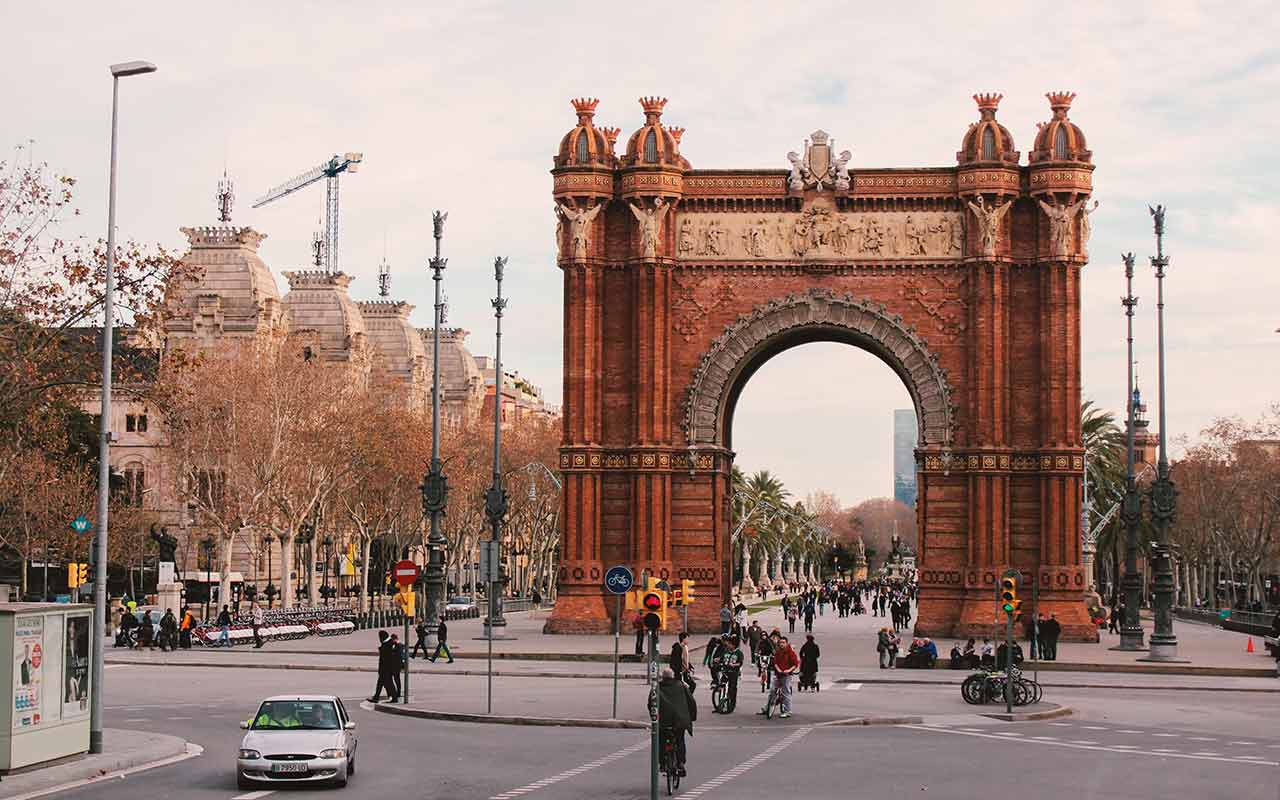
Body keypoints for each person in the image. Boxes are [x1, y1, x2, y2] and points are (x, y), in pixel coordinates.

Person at [656, 667, 697, 777]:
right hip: (680, 720)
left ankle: (663, 763)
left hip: (663, 721)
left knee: (661, 740)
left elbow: (651, 703)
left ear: (663, 677)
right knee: (680, 740)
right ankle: (680, 763)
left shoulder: (657, 687)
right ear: (673, 676)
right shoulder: (681, 686)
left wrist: (654, 718)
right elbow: (691, 702)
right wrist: (692, 717)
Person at [761, 635, 799, 718]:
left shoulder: (790, 652)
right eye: (780, 642)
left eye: (783, 643)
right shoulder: (778, 652)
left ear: (786, 643)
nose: (781, 644)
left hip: (786, 675)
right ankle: (767, 708)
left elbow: (795, 664)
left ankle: (787, 711)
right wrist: (778, 669)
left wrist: (788, 670)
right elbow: (775, 663)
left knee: (786, 692)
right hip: (778, 674)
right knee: (772, 691)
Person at [714, 636, 744, 713]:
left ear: (734, 645)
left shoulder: (739, 653)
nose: (728, 645)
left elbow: (740, 663)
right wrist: (717, 660)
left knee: (732, 689)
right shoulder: (726, 651)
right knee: (721, 686)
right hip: (725, 671)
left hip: (733, 673)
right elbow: (722, 658)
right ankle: (720, 705)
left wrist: (734, 665)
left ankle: (731, 705)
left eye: (730, 644)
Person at [370, 630, 400, 703]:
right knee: (380, 684)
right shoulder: (387, 643)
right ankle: (376, 698)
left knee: (389, 684)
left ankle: (394, 698)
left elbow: (387, 657)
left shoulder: (389, 643)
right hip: (384, 669)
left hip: (387, 669)